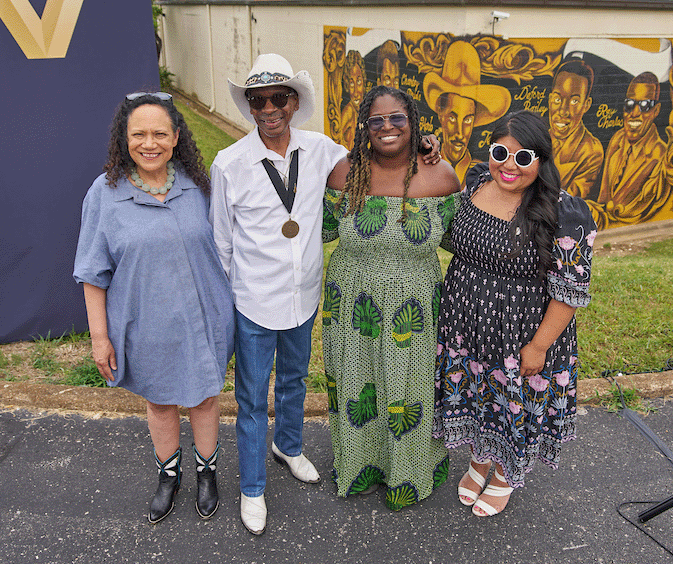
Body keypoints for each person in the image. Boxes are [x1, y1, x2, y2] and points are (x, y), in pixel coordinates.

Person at [211, 54, 441, 535]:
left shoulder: (321, 150)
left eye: (279, 97)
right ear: (250, 106)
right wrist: (226, 308)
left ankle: (289, 446)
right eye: (258, 100)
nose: (269, 108)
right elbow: (221, 245)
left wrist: (422, 140)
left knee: (295, 380)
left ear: (294, 102)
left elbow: (378, 146)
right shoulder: (229, 164)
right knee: (251, 398)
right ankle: (252, 488)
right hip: (253, 301)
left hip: (304, 298)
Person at [74, 92, 234, 524]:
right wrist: (100, 338)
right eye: (139, 134)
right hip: (146, 324)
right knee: (161, 403)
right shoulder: (105, 193)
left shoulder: (199, 185)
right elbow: (92, 273)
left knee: (204, 398)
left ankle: (207, 473)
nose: (150, 143)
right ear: (123, 139)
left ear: (176, 137)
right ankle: (169, 477)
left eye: (160, 133)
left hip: (203, 320)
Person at [434, 111, 595, 517]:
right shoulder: (475, 182)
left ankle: (505, 474)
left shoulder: (565, 212)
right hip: (466, 324)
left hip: (522, 332)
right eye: (501, 152)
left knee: (513, 404)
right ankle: (479, 461)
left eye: (523, 157)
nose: (509, 165)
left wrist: (539, 346)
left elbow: (569, 292)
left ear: (541, 161)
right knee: (477, 394)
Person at [322, 86, 460, 510]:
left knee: (409, 388)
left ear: (413, 122)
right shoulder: (344, 173)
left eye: (397, 118)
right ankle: (360, 465)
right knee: (358, 384)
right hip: (352, 303)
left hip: (414, 306)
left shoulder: (441, 176)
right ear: (364, 127)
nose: (387, 127)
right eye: (376, 120)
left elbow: (461, 243)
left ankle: (408, 473)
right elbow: (320, 230)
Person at [422, 39, 510, 180]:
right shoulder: (423, 165)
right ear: (441, 116)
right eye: (452, 118)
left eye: (467, 120)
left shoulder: (483, 174)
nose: (460, 132)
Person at [596, 72, 667, 227]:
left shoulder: (659, 155)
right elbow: (603, 196)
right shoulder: (618, 139)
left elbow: (641, 209)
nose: (634, 113)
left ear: (656, 111)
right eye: (629, 104)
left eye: (645, 106)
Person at [547, 59, 603, 198]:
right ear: (550, 100)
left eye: (574, 101)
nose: (563, 111)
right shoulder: (539, 137)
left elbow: (568, 201)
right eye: (557, 99)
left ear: (586, 105)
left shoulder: (591, 152)